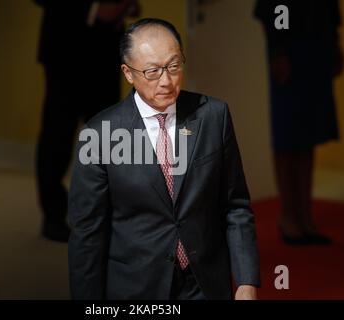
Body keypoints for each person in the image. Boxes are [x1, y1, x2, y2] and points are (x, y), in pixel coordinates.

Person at [68, 18, 260, 300]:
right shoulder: (100, 134)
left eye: (173, 66)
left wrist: (246, 280)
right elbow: (88, 234)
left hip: (204, 281)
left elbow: (235, 205)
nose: (167, 81)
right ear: (128, 73)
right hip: (137, 286)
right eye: (153, 71)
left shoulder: (213, 116)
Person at [34, 0, 139, 242]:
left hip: (106, 49)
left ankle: (103, 216)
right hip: (65, 45)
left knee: (107, 138)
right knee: (57, 134)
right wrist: (92, 9)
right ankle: (53, 216)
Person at [254, 0, 344, 245]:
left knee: (309, 131)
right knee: (288, 129)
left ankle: (305, 215)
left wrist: (334, 41)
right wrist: (278, 50)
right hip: (290, 45)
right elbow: (274, 6)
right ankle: (288, 215)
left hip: (318, 41)